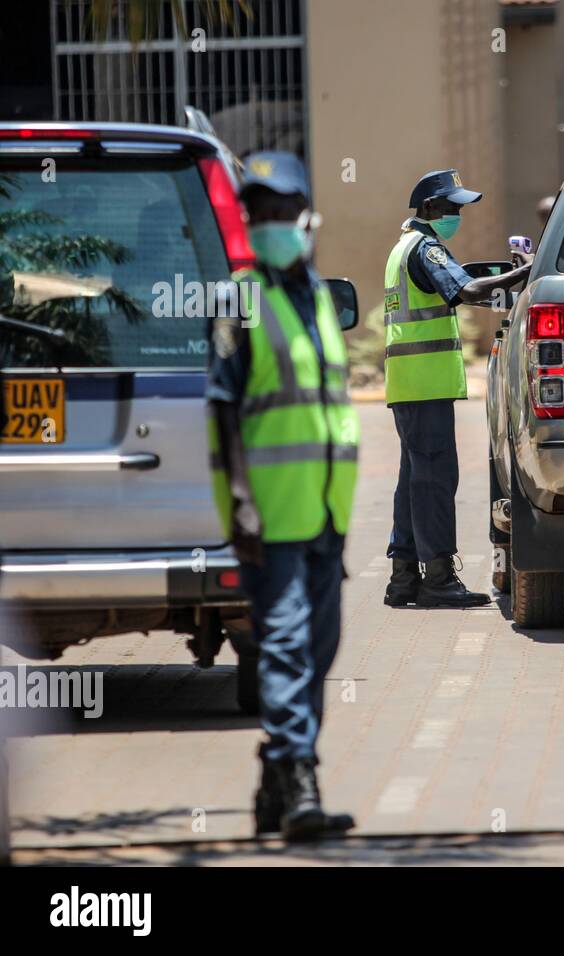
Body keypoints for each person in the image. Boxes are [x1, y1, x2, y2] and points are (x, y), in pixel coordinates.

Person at [207, 151, 358, 841]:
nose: (270, 224)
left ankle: (275, 781)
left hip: (327, 512)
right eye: (257, 214)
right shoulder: (238, 299)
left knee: (321, 649)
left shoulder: (320, 298)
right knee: (289, 646)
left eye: (280, 212)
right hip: (269, 517)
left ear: (306, 219)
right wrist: (238, 510)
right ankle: (300, 780)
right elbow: (223, 416)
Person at [382, 169, 532, 608]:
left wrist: (501, 288)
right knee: (434, 480)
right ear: (429, 208)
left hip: (410, 384)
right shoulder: (426, 248)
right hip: (424, 384)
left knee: (414, 479)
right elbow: (466, 290)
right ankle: (439, 578)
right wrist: (520, 276)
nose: (458, 215)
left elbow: (457, 292)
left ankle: (403, 576)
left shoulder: (402, 246)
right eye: (452, 208)